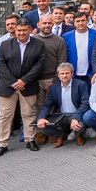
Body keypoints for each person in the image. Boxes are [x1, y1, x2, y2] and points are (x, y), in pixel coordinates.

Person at [0, 18, 46, 157]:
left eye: (24, 30)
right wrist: (13, 82)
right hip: (7, 86)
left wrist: (24, 81)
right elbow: (1, 65)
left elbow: (39, 65)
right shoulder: (5, 44)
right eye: (19, 30)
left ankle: (30, 140)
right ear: (15, 31)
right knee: (4, 116)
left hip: (28, 85)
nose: (22, 33)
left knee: (29, 114)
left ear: (30, 30)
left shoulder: (39, 44)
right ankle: (2, 143)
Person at [33, 15, 68, 145]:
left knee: (53, 106)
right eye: (44, 23)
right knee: (38, 106)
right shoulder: (33, 40)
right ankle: (40, 132)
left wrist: (55, 80)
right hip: (36, 79)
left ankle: (52, 132)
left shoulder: (59, 41)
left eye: (49, 23)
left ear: (53, 24)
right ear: (39, 25)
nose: (47, 25)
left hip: (52, 78)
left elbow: (62, 62)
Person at [36, 62, 90, 148]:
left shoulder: (81, 84)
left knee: (80, 124)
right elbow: (47, 105)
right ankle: (61, 136)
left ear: (72, 74)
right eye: (62, 73)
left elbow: (85, 103)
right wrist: (41, 118)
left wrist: (76, 118)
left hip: (76, 114)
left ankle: (79, 135)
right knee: (42, 125)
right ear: (58, 75)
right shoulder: (54, 88)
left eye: (67, 73)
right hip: (61, 116)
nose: (65, 76)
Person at [62, 12, 96, 84]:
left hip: (91, 75)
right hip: (73, 75)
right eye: (78, 21)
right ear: (74, 22)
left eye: (83, 20)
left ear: (87, 21)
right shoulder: (66, 36)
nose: (80, 23)